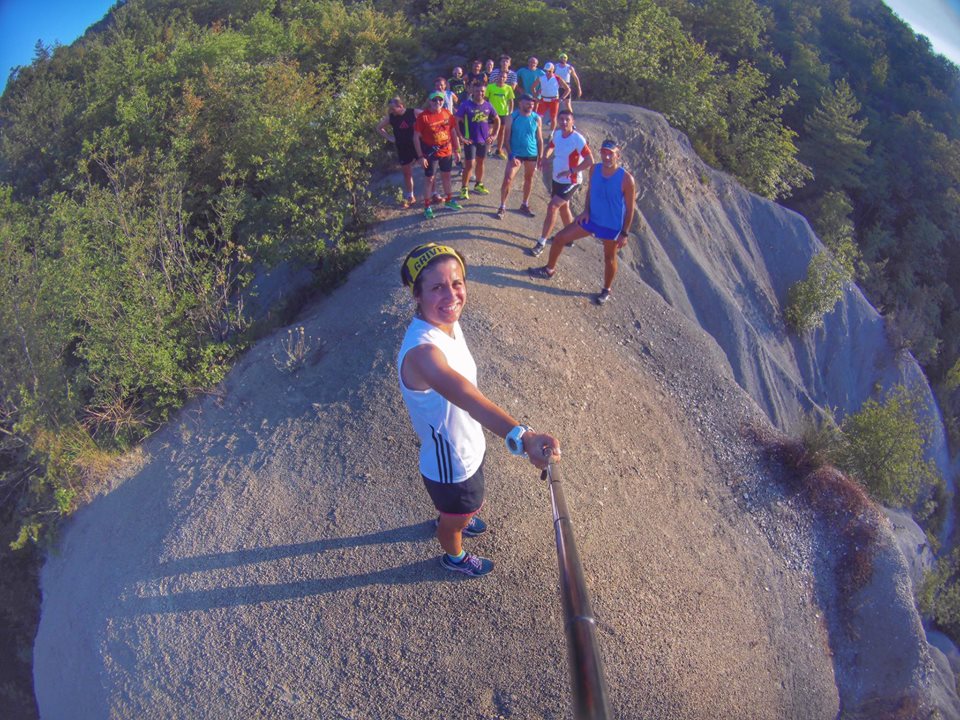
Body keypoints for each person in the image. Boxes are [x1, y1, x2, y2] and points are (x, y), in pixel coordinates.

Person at [398, 243, 561, 577]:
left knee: (463, 509)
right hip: (451, 466)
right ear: (416, 294)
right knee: (457, 515)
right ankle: (454, 554)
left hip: (469, 447)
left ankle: (457, 516)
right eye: (437, 287)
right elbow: (468, 397)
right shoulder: (423, 353)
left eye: (457, 283)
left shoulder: (447, 325)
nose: (452, 295)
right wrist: (524, 437)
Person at [527, 139, 636, 305]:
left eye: (611, 154)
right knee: (560, 238)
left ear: (617, 155)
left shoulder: (626, 179)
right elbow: (590, 192)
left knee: (609, 257)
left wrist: (624, 233)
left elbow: (630, 209)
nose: (606, 157)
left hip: (611, 225)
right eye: (604, 152)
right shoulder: (595, 169)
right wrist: (586, 211)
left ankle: (606, 290)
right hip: (592, 219)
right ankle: (549, 269)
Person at [529, 109, 592, 256]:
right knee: (564, 208)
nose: (564, 122)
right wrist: (545, 157)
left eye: (567, 120)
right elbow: (551, 146)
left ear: (572, 121)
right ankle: (569, 238)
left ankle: (541, 243)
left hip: (571, 180)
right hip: (557, 178)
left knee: (553, 207)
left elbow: (590, 160)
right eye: (561, 119)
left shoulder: (578, 139)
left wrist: (572, 171)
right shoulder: (557, 134)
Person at [413, 92, 463, 219]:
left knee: (446, 176)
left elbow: (453, 131)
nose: (437, 102)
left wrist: (457, 150)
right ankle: (427, 206)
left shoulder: (447, 113)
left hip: (446, 150)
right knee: (429, 179)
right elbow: (416, 137)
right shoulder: (423, 117)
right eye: (434, 100)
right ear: (429, 102)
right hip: (431, 152)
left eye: (440, 100)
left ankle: (449, 200)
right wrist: (420, 156)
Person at [496, 94, 543, 219]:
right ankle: (502, 206)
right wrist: (511, 155)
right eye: (528, 103)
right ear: (520, 103)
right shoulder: (512, 117)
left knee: (529, 178)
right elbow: (506, 139)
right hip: (516, 154)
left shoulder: (536, 118)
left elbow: (539, 139)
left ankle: (525, 204)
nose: (530, 106)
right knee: (508, 179)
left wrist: (541, 156)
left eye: (532, 104)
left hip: (531, 153)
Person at [455, 82, 499, 199]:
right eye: (477, 91)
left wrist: (494, 135)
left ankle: (478, 184)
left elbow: (497, 119)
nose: (480, 93)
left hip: (483, 140)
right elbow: (456, 120)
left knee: (481, 162)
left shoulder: (488, 105)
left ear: (485, 92)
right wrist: (460, 136)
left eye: (482, 91)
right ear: (472, 92)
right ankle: (464, 188)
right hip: (470, 140)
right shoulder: (466, 105)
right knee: (469, 165)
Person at [376, 97, 422, 208]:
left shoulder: (413, 112)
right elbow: (379, 128)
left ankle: (434, 193)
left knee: (427, 169)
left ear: (400, 106)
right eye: (390, 109)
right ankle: (410, 196)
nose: (391, 111)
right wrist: (390, 138)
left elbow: (428, 118)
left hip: (417, 145)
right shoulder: (391, 117)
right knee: (407, 172)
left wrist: (424, 133)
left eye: (393, 108)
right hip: (402, 147)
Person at [532, 62, 570, 136]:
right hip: (543, 100)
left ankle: (551, 134)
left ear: (553, 70)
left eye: (549, 71)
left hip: (554, 100)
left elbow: (568, 89)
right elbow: (533, 87)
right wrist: (536, 97)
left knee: (553, 117)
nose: (547, 73)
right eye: (546, 71)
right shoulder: (541, 78)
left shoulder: (557, 78)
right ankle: (536, 131)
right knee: (538, 116)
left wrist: (562, 98)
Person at [486, 72, 515, 159]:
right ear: (497, 77)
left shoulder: (508, 88)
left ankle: (499, 150)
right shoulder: (490, 87)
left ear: (506, 79)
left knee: (501, 132)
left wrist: (510, 113)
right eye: (500, 76)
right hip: (491, 113)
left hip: (503, 114)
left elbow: (511, 101)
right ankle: (488, 150)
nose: (502, 78)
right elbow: (486, 99)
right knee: (490, 131)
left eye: (504, 77)